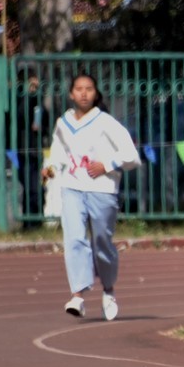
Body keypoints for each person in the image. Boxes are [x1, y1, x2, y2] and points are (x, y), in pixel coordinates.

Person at [42, 74, 140, 319]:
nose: (84, 93)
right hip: (72, 188)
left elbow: (131, 154)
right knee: (74, 239)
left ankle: (108, 290)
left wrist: (106, 165)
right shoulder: (63, 122)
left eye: (88, 89)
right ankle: (77, 295)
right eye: (79, 89)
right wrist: (50, 168)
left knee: (102, 244)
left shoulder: (106, 122)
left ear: (96, 93)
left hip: (102, 190)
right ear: (71, 94)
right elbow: (57, 153)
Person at [15, 70, 49, 230]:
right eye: (32, 84)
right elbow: (20, 116)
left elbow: (46, 120)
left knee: (38, 187)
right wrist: (29, 95)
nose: (35, 87)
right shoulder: (19, 99)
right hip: (21, 150)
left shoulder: (39, 102)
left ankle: (36, 220)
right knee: (28, 186)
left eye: (36, 84)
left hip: (36, 150)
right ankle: (28, 222)